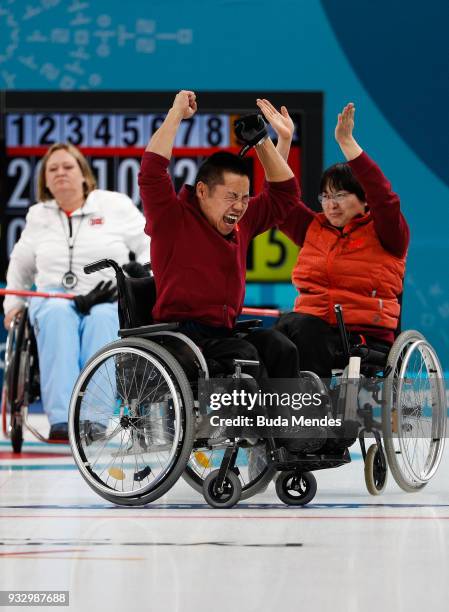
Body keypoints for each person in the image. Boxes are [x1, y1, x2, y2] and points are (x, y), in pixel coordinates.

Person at [138, 90, 329, 453]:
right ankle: (276, 440)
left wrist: (268, 143)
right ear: (202, 191)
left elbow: (283, 197)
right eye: (231, 197)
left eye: (244, 197)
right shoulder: (172, 218)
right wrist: (176, 113)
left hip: (223, 332)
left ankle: (292, 439)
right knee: (247, 357)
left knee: (280, 346)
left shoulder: (241, 224)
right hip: (182, 337)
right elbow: (151, 172)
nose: (240, 207)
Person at [3, 143, 150, 441]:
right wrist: (14, 305)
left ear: (83, 174)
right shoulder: (38, 215)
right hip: (56, 297)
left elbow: (149, 243)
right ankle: (62, 419)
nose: (60, 173)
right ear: (44, 180)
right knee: (56, 316)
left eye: (68, 167)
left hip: (108, 296)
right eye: (52, 169)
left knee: (102, 319)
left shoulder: (115, 205)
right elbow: (20, 265)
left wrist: (142, 276)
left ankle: (93, 421)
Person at [257, 100, 409, 381]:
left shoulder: (387, 231)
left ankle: (315, 416)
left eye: (340, 195)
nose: (331, 204)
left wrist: (347, 142)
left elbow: (385, 197)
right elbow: (278, 198)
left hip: (360, 334)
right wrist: (284, 141)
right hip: (308, 325)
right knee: (271, 340)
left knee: (302, 329)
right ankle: (271, 417)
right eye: (326, 196)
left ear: (364, 201)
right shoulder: (312, 227)